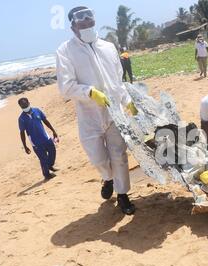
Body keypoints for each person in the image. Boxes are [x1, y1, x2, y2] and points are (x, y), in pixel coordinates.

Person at [56, 6, 137, 215]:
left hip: (114, 113)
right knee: (98, 158)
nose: (88, 28)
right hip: (89, 116)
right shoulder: (65, 51)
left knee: (119, 155)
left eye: (90, 24)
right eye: (83, 25)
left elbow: (117, 81)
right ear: (73, 27)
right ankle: (107, 178)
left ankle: (122, 195)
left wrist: (127, 101)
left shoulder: (109, 47)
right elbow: (65, 87)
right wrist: (90, 92)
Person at [18, 98, 59, 181]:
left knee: (52, 151)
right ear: (20, 107)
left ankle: (50, 165)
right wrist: (25, 146)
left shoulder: (37, 110)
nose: (25, 107)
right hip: (36, 143)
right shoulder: (21, 119)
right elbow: (22, 133)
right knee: (43, 158)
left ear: (29, 103)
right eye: (23, 106)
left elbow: (45, 121)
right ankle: (46, 175)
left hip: (45, 138)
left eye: (26, 105)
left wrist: (53, 131)